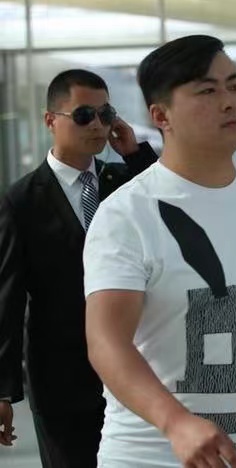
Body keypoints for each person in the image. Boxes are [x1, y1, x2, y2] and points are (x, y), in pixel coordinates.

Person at [82, 35, 236, 468]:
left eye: (234, 86)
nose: (229, 101)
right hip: (156, 457)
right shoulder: (127, 213)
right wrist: (176, 423)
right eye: (207, 90)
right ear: (161, 116)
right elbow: (106, 341)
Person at [0, 69, 157, 467]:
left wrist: (135, 154)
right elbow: (7, 299)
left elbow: (169, 209)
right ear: (50, 120)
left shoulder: (125, 182)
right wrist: (2, 390)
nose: (98, 126)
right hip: (61, 378)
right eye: (85, 115)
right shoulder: (20, 201)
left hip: (136, 367)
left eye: (106, 114)